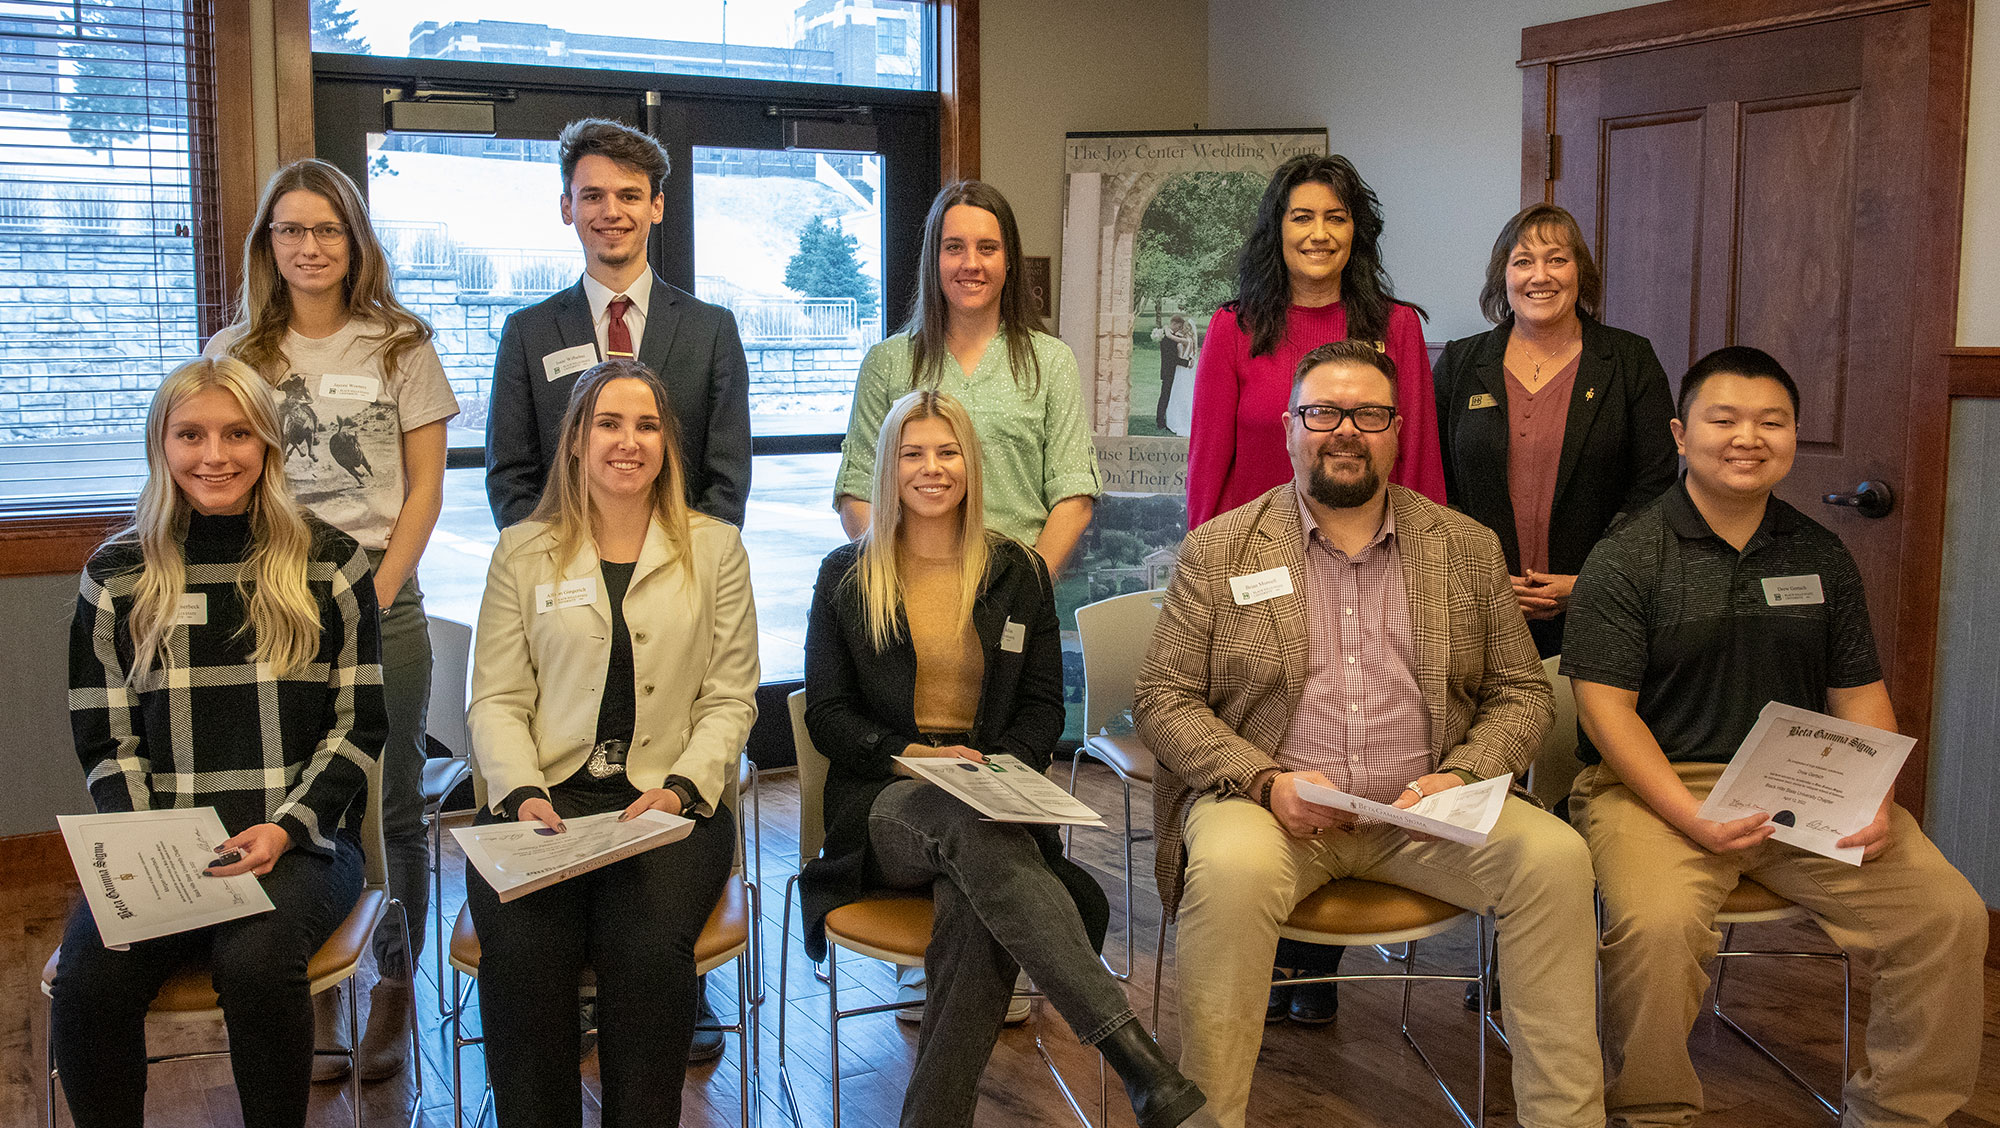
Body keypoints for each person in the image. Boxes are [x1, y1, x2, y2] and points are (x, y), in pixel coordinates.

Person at [1134, 341, 1604, 1128]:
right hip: (1270, 809)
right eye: (1323, 412)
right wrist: (1264, 781)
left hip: (1428, 813)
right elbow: (1164, 698)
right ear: (1289, 428)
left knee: (1556, 859)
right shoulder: (1221, 549)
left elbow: (1523, 693)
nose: (1344, 430)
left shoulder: (1464, 546)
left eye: (1369, 414)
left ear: (1396, 431)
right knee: (1230, 873)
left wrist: (1461, 776)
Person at [1563, 346, 1986, 1128]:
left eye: (1772, 421)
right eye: (1723, 419)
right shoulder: (1626, 557)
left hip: (1799, 789)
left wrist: (1875, 797)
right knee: (1655, 928)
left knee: (1947, 915)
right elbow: (1604, 712)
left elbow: (1858, 690)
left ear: (1794, 436)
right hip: (1655, 789)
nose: (1747, 437)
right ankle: (1653, 1110)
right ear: (1681, 435)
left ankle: (1899, 1112)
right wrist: (1692, 819)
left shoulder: (1820, 553)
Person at [803, 389, 1215, 1128]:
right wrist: (909, 757)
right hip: (885, 804)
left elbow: (1041, 709)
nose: (932, 468)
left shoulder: (1015, 571)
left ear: (971, 462)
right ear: (888, 468)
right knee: (962, 825)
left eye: (947, 451)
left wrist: (1000, 771)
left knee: (973, 903)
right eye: (912, 453)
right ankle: (1134, 1057)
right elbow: (829, 716)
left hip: (993, 804)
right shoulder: (846, 573)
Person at [54, 357, 384, 1128]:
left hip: (301, 844)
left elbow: (359, 725)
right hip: (161, 849)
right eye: (191, 434)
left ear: (270, 442)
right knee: (91, 981)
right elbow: (105, 737)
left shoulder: (330, 561)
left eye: (238, 433)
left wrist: (285, 829)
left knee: (257, 961)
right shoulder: (117, 573)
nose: (215, 456)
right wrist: (150, 847)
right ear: (160, 445)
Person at [205, 157, 456, 1077]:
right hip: (276, 609)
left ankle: (394, 988)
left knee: (394, 808)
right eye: (290, 230)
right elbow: (222, 481)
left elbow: (426, 487)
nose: (308, 247)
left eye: (327, 230)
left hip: (384, 604)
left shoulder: (400, 344)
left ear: (355, 241)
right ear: (267, 245)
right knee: (298, 803)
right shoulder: (239, 353)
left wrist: (375, 592)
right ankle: (312, 990)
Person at [465, 360, 759, 1127]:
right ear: (574, 442)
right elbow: (496, 698)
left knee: (646, 955)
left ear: (668, 445)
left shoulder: (716, 549)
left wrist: (687, 786)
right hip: (542, 804)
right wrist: (521, 792)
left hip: (666, 804)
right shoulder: (522, 552)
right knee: (526, 957)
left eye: (647, 425)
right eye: (609, 424)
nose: (628, 442)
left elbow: (729, 698)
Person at [1434, 203, 1677, 659]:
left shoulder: (1630, 361)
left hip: (1602, 611)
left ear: (1579, 272)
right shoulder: (1461, 363)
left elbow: (1654, 489)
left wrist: (1593, 580)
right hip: (1477, 608)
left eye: (1557, 259)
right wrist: (1480, 575)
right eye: (1523, 261)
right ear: (1502, 278)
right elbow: (1436, 487)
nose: (1540, 276)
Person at [486, 117, 752, 530]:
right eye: (592, 196)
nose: (611, 212)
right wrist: (556, 563)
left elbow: (727, 479)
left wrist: (687, 562)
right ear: (567, 207)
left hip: (681, 570)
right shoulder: (527, 333)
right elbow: (511, 477)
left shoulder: (712, 331)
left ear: (656, 206)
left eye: (629, 195)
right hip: (563, 575)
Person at [834, 180, 1102, 578]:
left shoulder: (1051, 362)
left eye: (987, 248)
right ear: (934, 258)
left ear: (1009, 260)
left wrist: (1025, 590)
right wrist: (902, 578)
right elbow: (858, 490)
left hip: (1017, 593)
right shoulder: (887, 363)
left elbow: (1074, 496)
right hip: (910, 590)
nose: (970, 263)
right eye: (954, 247)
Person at [1184, 154, 1444, 531]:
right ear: (1278, 229)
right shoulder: (1234, 328)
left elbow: (1420, 463)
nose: (1319, 234)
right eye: (1302, 217)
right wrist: (1205, 564)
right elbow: (1206, 469)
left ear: (1356, 232)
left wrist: (1426, 558)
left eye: (1336, 218)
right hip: (1256, 559)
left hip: (1371, 560)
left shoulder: (1398, 326)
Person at [1153, 313, 1198, 434]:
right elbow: (1171, 359)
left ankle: (1174, 419)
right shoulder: (1167, 337)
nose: (1180, 328)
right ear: (1175, 323)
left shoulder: (1172, 335)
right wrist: (1187, 363)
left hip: (1177, 372)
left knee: (1176, 396)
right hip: (1170, 371)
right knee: (1166, 396)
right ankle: (1161, 421)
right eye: (1179, 325)